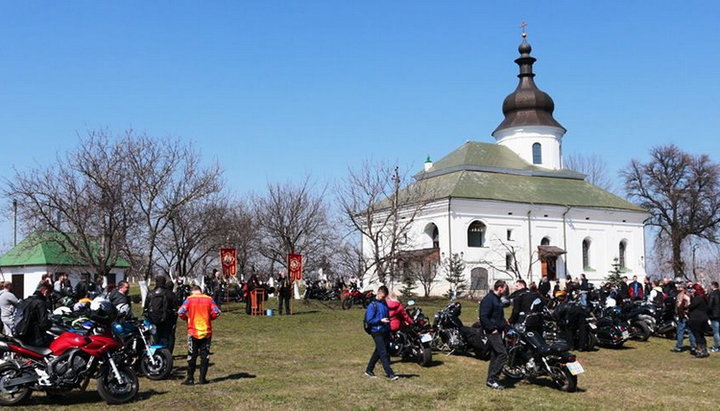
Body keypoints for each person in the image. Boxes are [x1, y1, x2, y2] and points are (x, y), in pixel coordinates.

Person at [178, 285, 221, 385]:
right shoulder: (209, 299)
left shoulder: (189, 299)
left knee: (192, 355)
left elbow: (180, 312)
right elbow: (217, 312)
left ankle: (190, 379)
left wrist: (186, 318)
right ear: (201, 291)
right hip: (206, 331)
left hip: (193, 331)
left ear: (192, 292)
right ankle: (202, 379)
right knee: (204, 355)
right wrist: (210, 318)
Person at [363, 285, 398, 381]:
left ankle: (369, 370)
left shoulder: (384, 304)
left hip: (385, 330)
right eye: (383, 296)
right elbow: (369, 320)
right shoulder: (372, 305)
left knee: (378, 351)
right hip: (376, 331)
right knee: (383, 352)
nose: (384, 298)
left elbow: (388, 317)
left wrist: (389, 329)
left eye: (385, 297)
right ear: (379, 293)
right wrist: (380, 320)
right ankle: (390, 373)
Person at [479, 280, 508, 390]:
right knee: (502, 354)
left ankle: (490, 380)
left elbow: (496, 314)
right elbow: (483, 316)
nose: (506, 290)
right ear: (500, 288)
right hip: (493, 332)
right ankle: (493, 379)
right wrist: (491, 329)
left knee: (495, 355)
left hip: (499, 330)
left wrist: (504, 322)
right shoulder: (489, 299)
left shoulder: (496, 299)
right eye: (505, 288)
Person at [144, 276, 177, 347]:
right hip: (167, 320)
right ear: (165, 283)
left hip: (153, 319)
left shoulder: (150, 293)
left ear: (156, 282)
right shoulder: (170, 293)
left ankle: (156, 351)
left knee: (155, 336)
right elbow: (175, 307)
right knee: (167, 337)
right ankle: (167, 352)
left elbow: (146, 307)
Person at [671, 284, 696, 352]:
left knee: (680, 331)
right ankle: (693, 346)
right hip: (689, 315)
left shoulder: (681, 295)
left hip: (683, 315)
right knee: (691, 331)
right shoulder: (690, 294)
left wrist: (680, 313)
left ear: (682, 288)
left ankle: (679, 347)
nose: (677, 288)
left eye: (679, 287)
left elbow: (679, 306)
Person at [687, 286, 710, 358]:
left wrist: (689, 300)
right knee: (701, 335)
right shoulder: (704, 298)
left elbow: (691, 307)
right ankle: (704, 350)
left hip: (696, 319)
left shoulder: (697, 298)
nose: (692, 291)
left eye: (693, 289)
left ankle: (700, 351)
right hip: (703, 318)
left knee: (697, 335)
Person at [707, 281, 720, 353]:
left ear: (713, 286)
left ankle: (716, 347)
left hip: (714, 315)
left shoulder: (712, 294)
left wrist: (708, 314)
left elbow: (709, 306)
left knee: (716, 332)